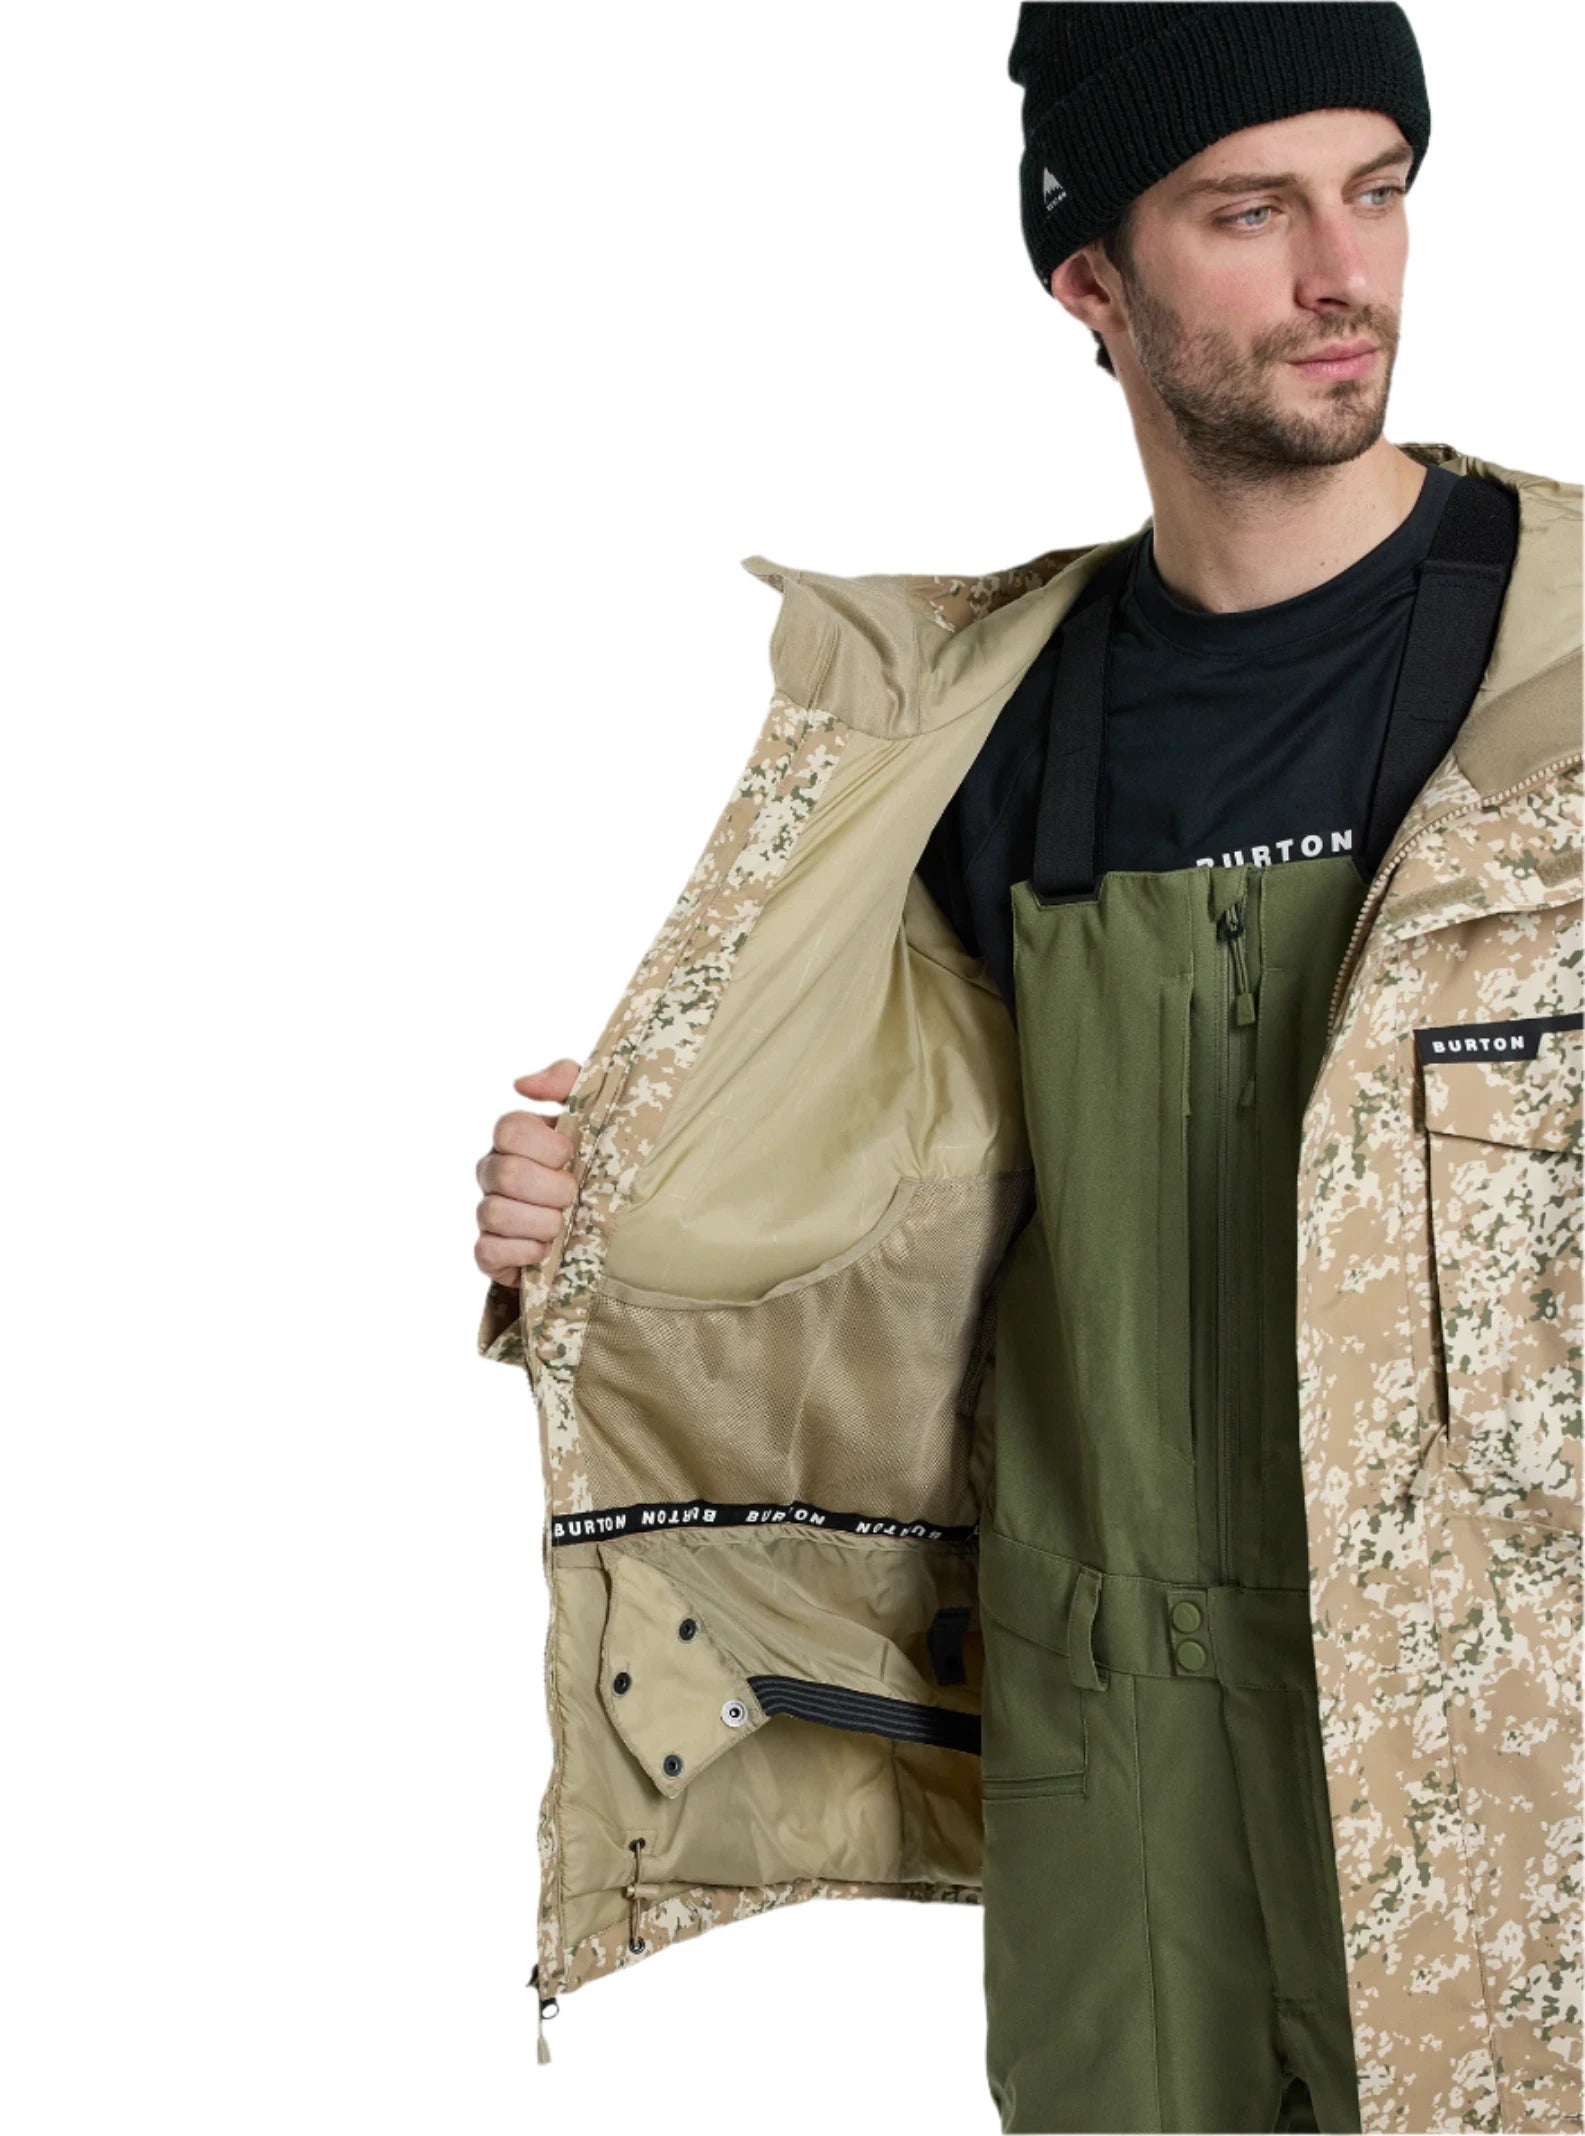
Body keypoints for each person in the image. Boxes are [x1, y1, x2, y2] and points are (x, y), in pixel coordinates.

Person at [475, 8, 1582, 2130]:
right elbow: (852, 1215)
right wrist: (597, 1217)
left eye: (1375, 190)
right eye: (1247, 213)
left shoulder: (1567, 651)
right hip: (1118, 1761)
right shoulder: (963, 732)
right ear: (1089, 277)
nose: (1339, 271)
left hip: (1507, 1750)